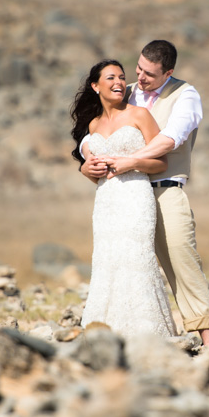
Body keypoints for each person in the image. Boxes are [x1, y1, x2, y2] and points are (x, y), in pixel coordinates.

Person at [80, 40, 209, 346]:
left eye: (149, 74)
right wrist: (85, 161)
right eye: (139, 69)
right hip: (122, 195)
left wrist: (132, 160)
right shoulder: (123, 90)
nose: (139, 78)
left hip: (164, 187)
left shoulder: (185, 95)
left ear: (168, 72)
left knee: (182, 258)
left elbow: (170, 139)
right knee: (124, 261)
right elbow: (92, 131)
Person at [70, 59, 177, 337]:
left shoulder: (139, 115)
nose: (119, 82)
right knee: (108, 260)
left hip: (135, 197)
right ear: (95, 86)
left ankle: (146, 332)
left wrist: (131, 163)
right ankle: (105, 331)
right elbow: (96, 173)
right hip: (106, 201)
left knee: (136, 259)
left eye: (122, 77)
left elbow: (161, 162)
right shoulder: (92, 126)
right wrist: (86, 169)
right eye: (110, 78)